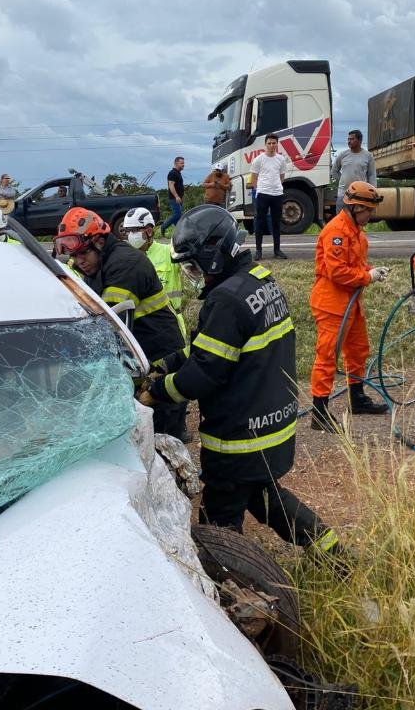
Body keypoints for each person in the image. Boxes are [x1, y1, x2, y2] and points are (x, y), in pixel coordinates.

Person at [143, 205, 346, 560]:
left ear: (214, 255)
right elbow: (210, 347)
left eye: (193, 267)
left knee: (218, 527)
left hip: (237, 440)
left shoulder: (225, 300)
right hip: (271, 426)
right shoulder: (259, 279)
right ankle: (332, 552)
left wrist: (155, 391)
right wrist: (166, 363)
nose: (193, 276)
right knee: (264, 497)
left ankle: (228, 581)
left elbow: (204, 373)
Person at [53, 208, 186, 438]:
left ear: (99, 242)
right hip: (139, 360)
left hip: (160, 362)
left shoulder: (124, 265)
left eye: (83, 253)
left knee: (161, 441)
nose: (79, 261)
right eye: (74, 255)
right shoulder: (98, 265)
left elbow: (108, 327)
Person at [309, 181, 390, 431]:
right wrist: (367, 277)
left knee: (358, 350)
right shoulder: (336, 232)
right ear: (356, 207)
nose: (371, 215)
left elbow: (354, 264)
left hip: (351, 303)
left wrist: (371, 270)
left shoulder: (356, 231)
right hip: (332, 303)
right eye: (369, 211)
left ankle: (357, 399)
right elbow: (337, 272)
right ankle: (319, 413)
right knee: (327, 356)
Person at [120, 206, 190, 440]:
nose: (131, 235)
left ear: (149, 230)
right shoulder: (126, 260)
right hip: (143, 328)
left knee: (174, 373)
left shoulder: (167, 253)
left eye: (135, 230)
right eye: (127, 231)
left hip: (170, 322)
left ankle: (179, 424)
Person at [250, 133, 288, 261]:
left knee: (276, 223)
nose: (271, 145)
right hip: (263, 194)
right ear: (265, 144)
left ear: (277, 144)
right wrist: (258, 190)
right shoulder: (259, 159)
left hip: (277, 194)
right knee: (260, 222)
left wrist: (277, 187)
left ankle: (277, 250)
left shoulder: (281, 159)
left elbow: (282, 176)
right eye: (269, 143)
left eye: (274, 143)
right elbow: (254, 177)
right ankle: (258, 251)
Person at [330, 129, 377, 196]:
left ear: (360, 140)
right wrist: (343, 180)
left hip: (360, 193)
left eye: (352, 139)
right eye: (348, 139)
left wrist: (373, 191)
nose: (349, 141)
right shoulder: (342, 155)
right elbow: (334, 171)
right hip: (343, 193)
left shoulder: (368, 156)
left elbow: (372, 175)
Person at [160, 156, 185, 235]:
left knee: (178, 217)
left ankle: (180, 232)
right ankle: (163, 226)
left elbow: (177, 186)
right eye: (181, 163)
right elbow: (171, 185)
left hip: (178, 198)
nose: (183, 165)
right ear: (176, 163)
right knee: (177, 215)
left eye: (183, 163)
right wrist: (176, 196)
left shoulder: (178, 173)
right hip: (174, 198)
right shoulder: (172, 173)